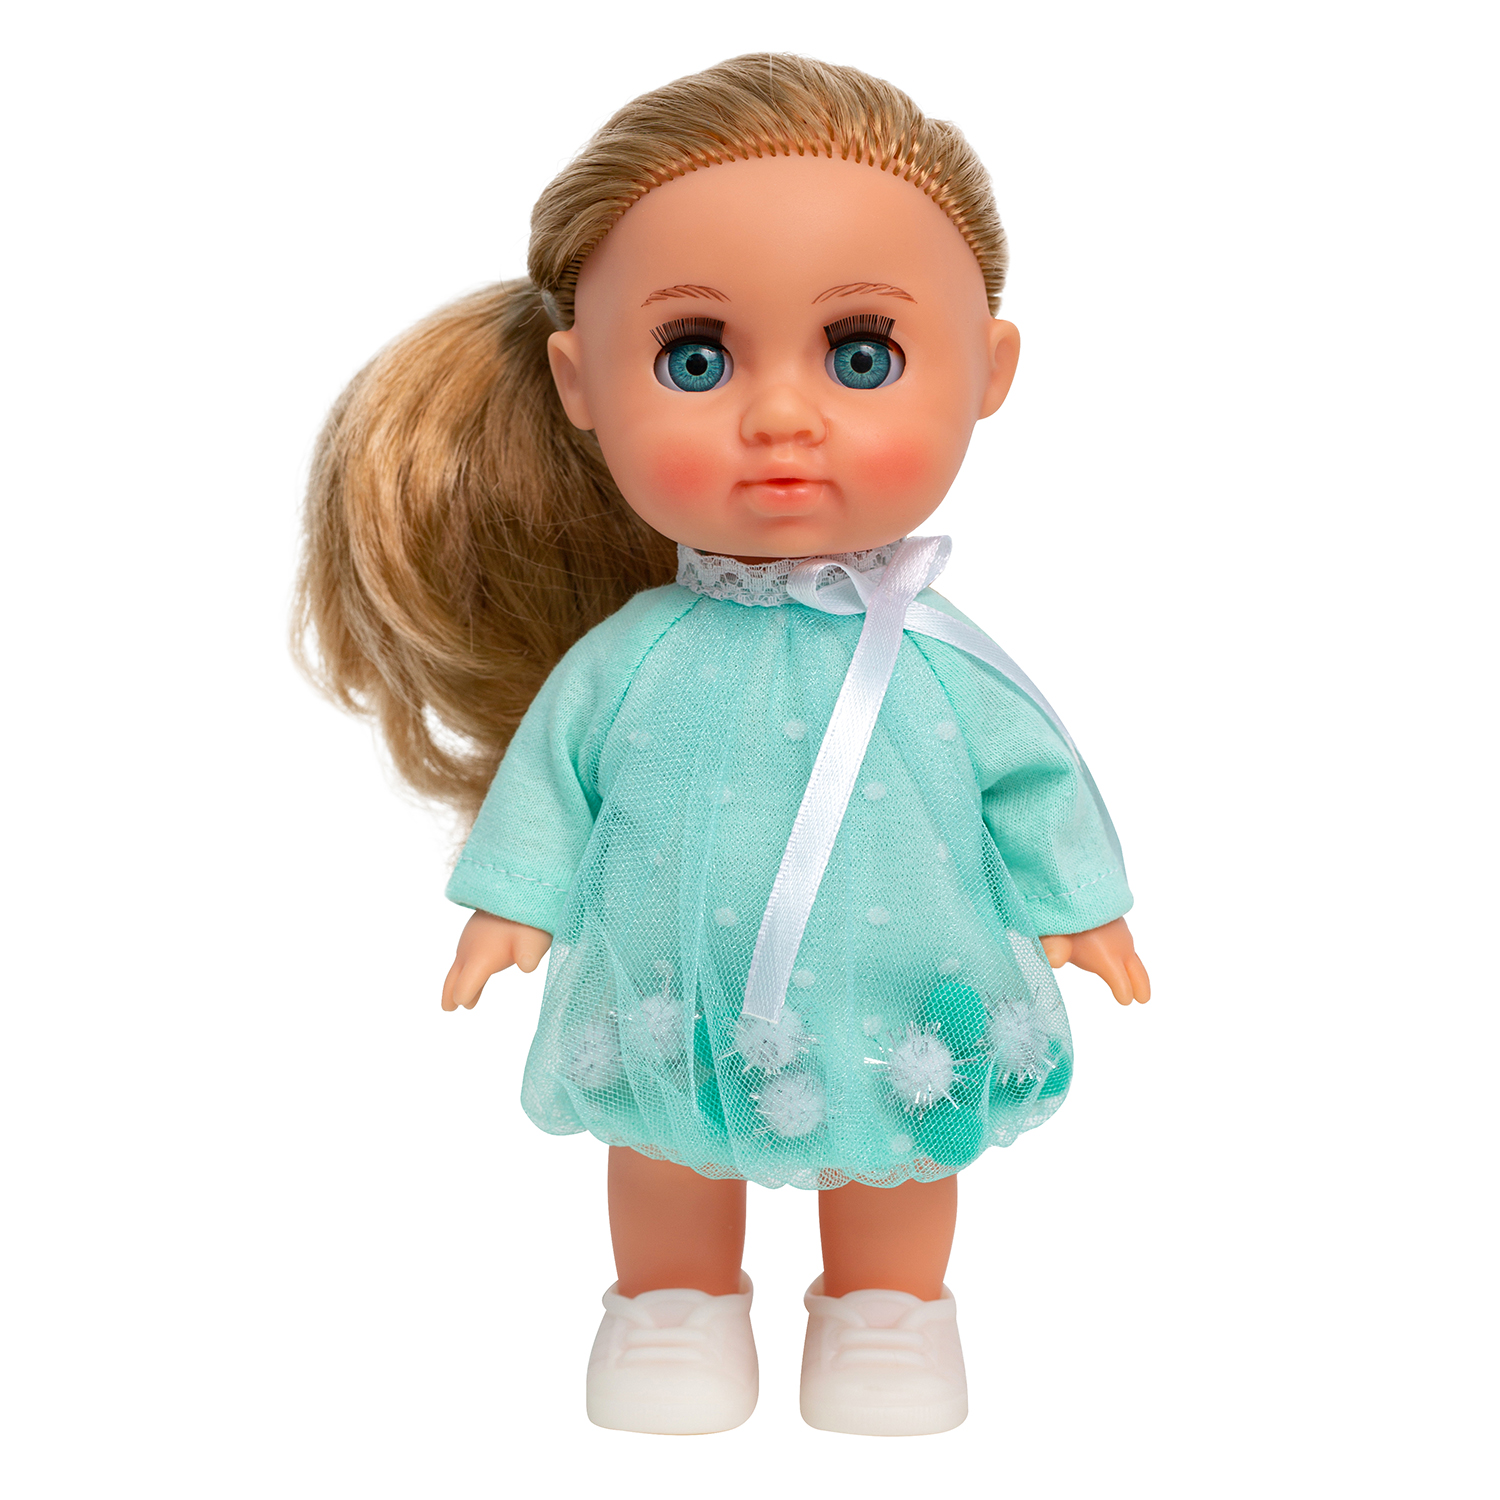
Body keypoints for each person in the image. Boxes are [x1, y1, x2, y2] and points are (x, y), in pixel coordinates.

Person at [295, 53, 1150, 1438]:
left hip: (891, 959)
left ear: (989, 369)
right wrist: (513, 902)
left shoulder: (938, 655)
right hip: (670, 956)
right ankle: (673, 1304)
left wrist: (1080, 904)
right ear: (580, 382)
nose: (782, 417)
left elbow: (1031, 778)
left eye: (861, 355)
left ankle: (889, 1313)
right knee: (664, 1135)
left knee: (900, 1136)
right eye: (695, 359)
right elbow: (557, 778)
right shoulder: (632, 657)